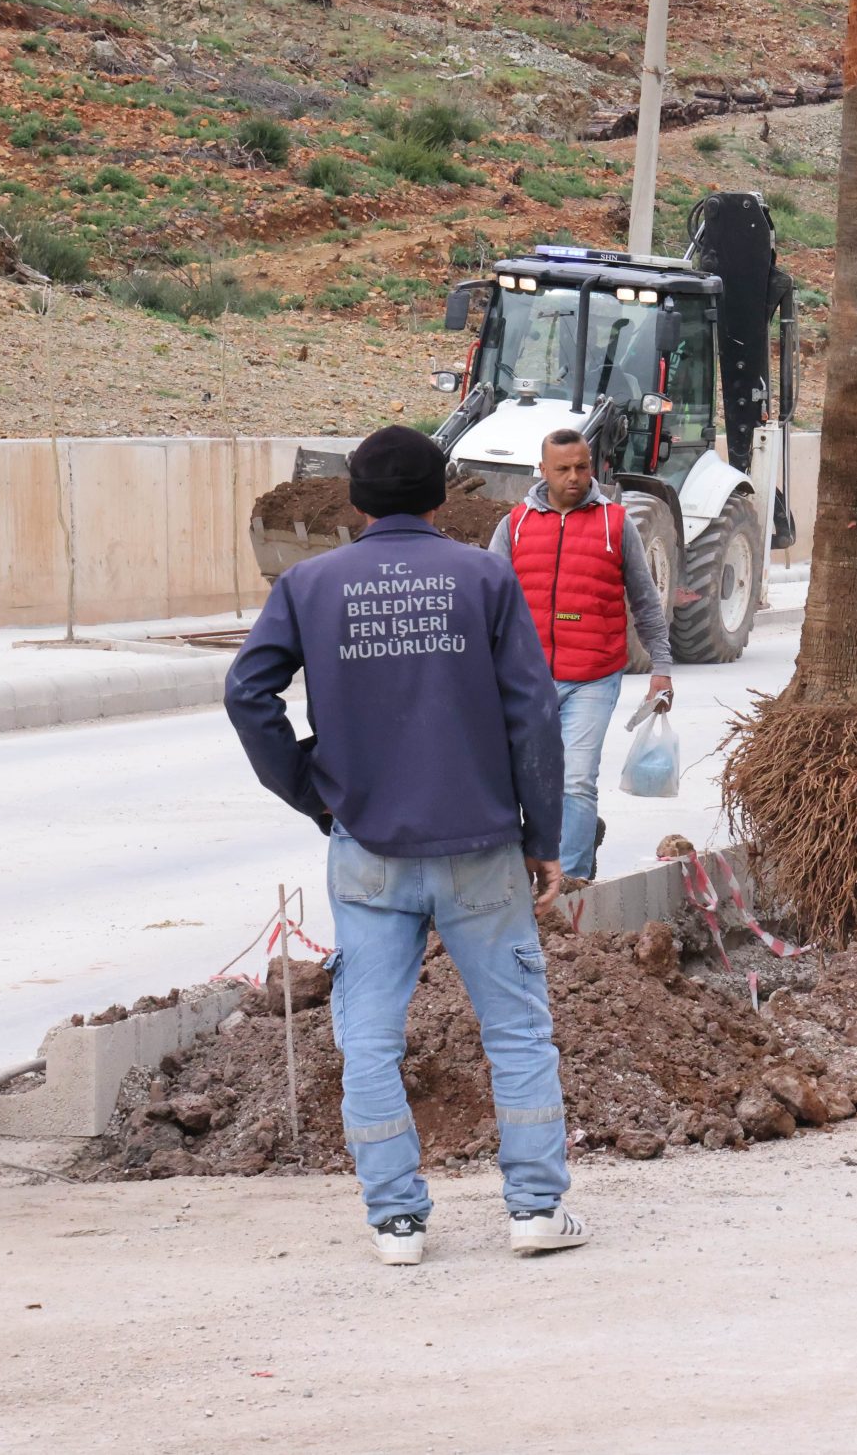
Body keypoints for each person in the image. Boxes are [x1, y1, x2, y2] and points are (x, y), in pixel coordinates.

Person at [226, 426, 585, 1267]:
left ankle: (396, 1221)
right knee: (518, 1033)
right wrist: (543, 836)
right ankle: (536, 1210)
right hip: (482, 849)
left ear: (354, 502)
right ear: (440, 502)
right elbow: (532, 715)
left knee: (371, 1039)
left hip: (369, 850)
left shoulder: (310, 584)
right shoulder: (485, 576)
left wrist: (313, 791)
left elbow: (249, 693)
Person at [487, 429, 674, 885]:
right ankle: (537, 862)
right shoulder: (516, 525)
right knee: (521, 780)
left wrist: (662, 669)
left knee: (574, 779)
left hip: (593, 676)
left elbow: (646, 601)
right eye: (563, 469)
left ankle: (569, 884)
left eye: (582, 467)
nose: (575, 477)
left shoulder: (616, 524)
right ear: (543, 470)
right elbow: (486, 599)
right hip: (526, 679)